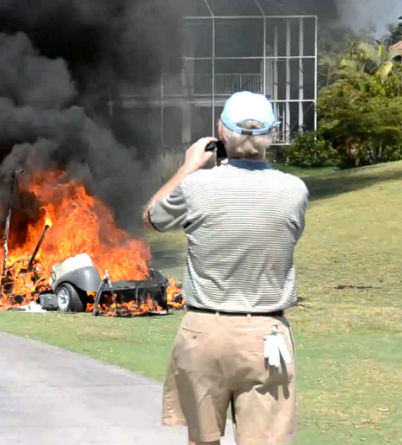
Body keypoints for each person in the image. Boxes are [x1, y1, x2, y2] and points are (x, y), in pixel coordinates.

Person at [144, 92, 309, 445]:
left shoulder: (195, 187)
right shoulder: (294, 190)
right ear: (272, 135)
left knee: (202, 439)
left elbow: (152, 218)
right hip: (266, 333)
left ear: (220, 132)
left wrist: (187, 167)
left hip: (204, 332)